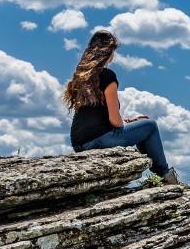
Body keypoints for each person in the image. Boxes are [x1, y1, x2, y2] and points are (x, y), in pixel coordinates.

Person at [64, 29, 178, 183]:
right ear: (109, 52)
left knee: (140, 126)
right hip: (99, 140)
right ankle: (164, 177)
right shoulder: (107, 76)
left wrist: (129, 121)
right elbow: (115, 122)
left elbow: (98, 115)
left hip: (79, 143)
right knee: (150, 126)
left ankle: (158, 178)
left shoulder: (82, 77)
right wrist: (126, 124)